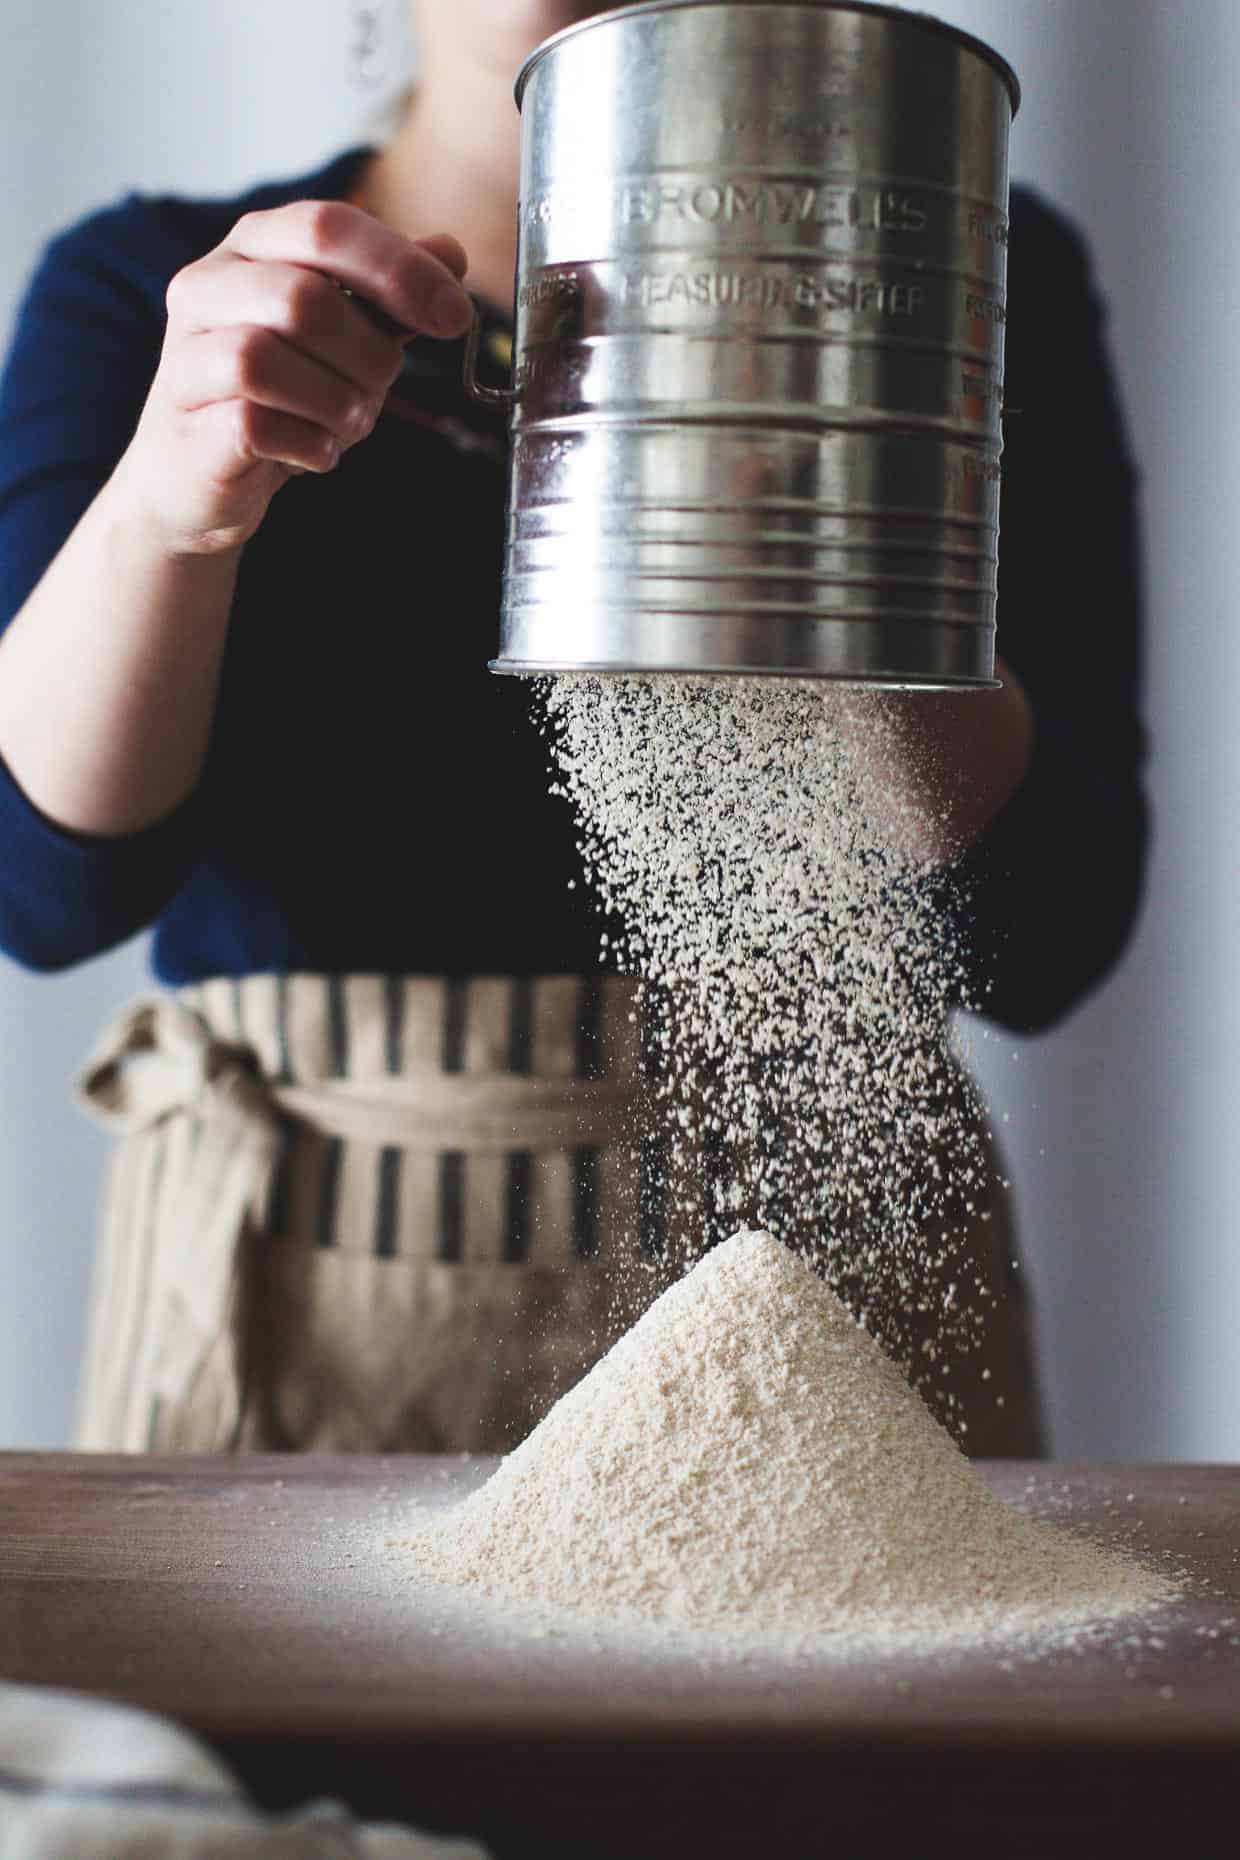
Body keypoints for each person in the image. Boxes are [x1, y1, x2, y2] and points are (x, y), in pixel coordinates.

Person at [0, 2, 1146, 1458]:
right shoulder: (166, 290)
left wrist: (832, 486)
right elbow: (40, 886)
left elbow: (1051, 935)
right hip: (301, 1318)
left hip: (819, 1316)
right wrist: (176, 500)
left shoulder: (957, 254)